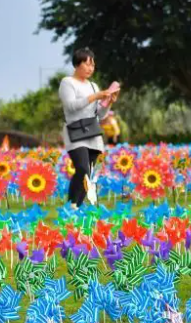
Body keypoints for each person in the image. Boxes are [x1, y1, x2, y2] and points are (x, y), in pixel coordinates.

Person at [59, 47, 116, 207]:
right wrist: (95, 96)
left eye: (93, 65)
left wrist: (109, 102)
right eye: (87, 64)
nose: (91, 68)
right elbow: (71, 106)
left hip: (92, 132)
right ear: (77, 64)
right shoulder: (67, 82)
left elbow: (100, 114)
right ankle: (71, 205)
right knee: (82, 168)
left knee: (88, 173)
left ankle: (76, 207)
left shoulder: (93, 85)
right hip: (75, 132)